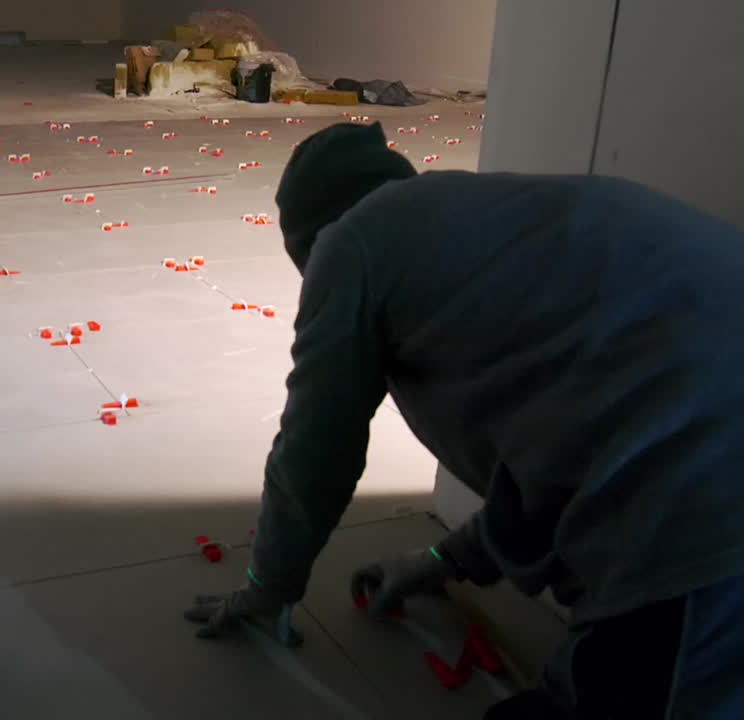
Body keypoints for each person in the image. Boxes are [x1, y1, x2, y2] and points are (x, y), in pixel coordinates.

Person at [183, 122, 744, 718]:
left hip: (706, 508)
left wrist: (269, 585)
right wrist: (445, 562)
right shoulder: (492, 226)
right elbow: (553, 452)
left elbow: (317, 447)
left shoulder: (352, 244)